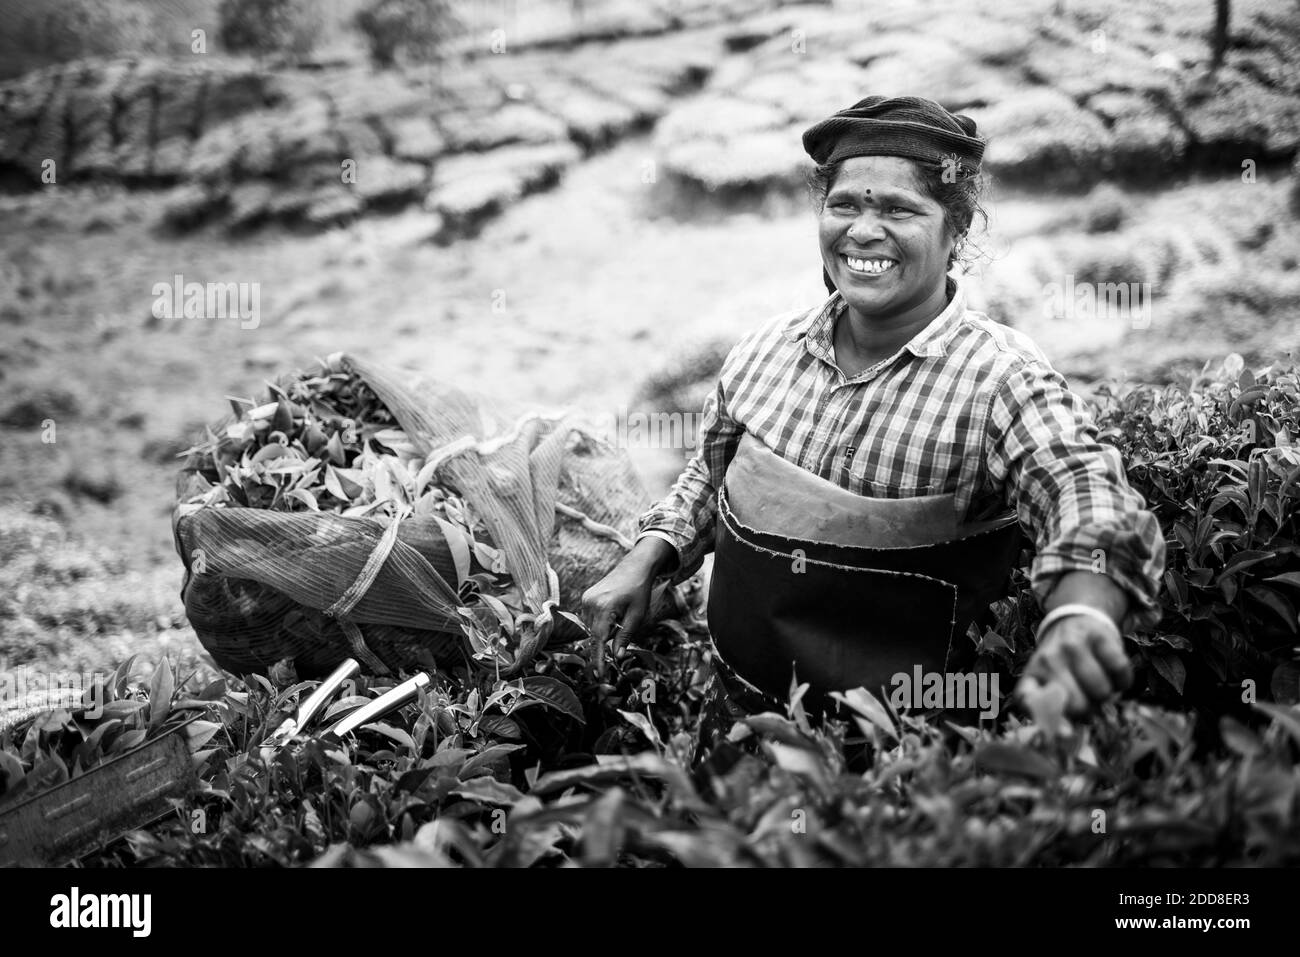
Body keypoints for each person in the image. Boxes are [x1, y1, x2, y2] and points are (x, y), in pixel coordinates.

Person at [580, 95, 1166, 746]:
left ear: (957, 231)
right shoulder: (761, 354)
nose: (862, 231)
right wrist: (650, 553)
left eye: (897, 209)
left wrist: (1085, 607)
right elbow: (708, 479)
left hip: (902, 762)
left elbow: (1085, 492)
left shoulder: (1000, 381)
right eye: (845, 205)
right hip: (736, 723)